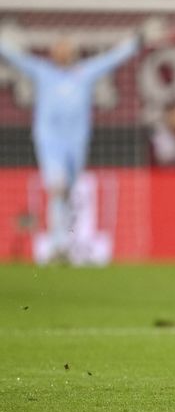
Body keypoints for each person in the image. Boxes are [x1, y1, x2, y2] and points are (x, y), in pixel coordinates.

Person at [0, 34, 140, 264]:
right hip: (49, 140)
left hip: (77, 141)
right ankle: (58, 246)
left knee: (67, 192)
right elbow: (16, 57)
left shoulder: (85, 72)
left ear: (73, 53)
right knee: (58, 187)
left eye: (67, 48)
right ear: (53, 53)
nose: (63, 52)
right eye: (59, 48)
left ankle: (63, 245)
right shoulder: (42, 71)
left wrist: (136, 42)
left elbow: (111, 59)